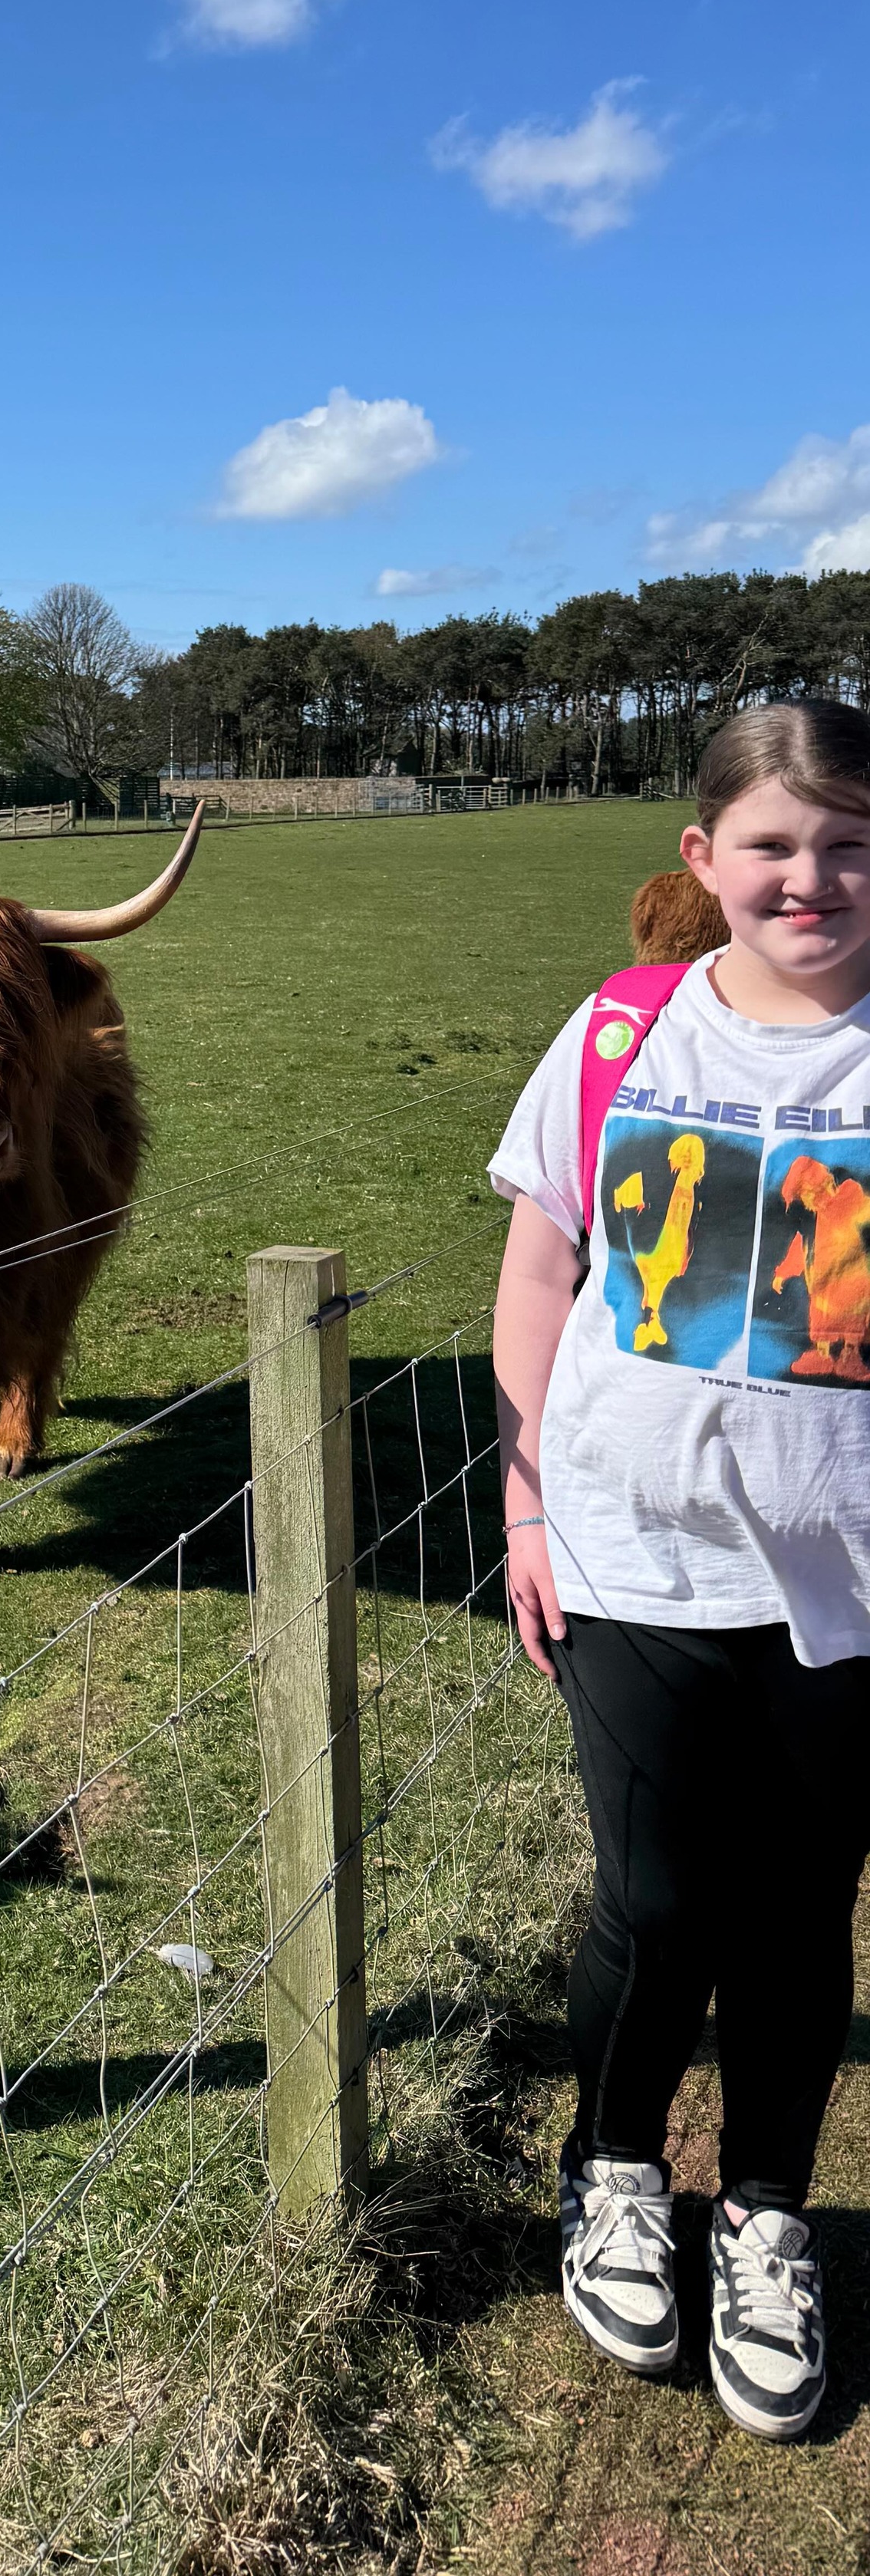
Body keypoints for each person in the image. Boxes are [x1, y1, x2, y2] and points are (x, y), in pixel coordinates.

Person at [490, 699, 870, 2443]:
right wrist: (523, 1502)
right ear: (701, 859)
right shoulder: (614, 1036)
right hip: (630, 1552)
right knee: (655, 1899)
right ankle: (614, 2167)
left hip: (848, 1582)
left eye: (848, 843)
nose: (811, 877)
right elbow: (541, 1275)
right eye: (773, 845)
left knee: (800, 1911)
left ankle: (770, 2214)